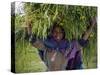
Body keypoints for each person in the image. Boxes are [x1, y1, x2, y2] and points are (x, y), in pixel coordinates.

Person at [25, 17, 96, 71]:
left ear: (64, 34)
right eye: (55, 31)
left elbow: (82, 41)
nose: (58, 34)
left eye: (61, 32)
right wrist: (29, 26)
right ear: (52, 33)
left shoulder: (69, 45)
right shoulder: (46, 43)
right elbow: (33, 40)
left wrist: (92, 25)